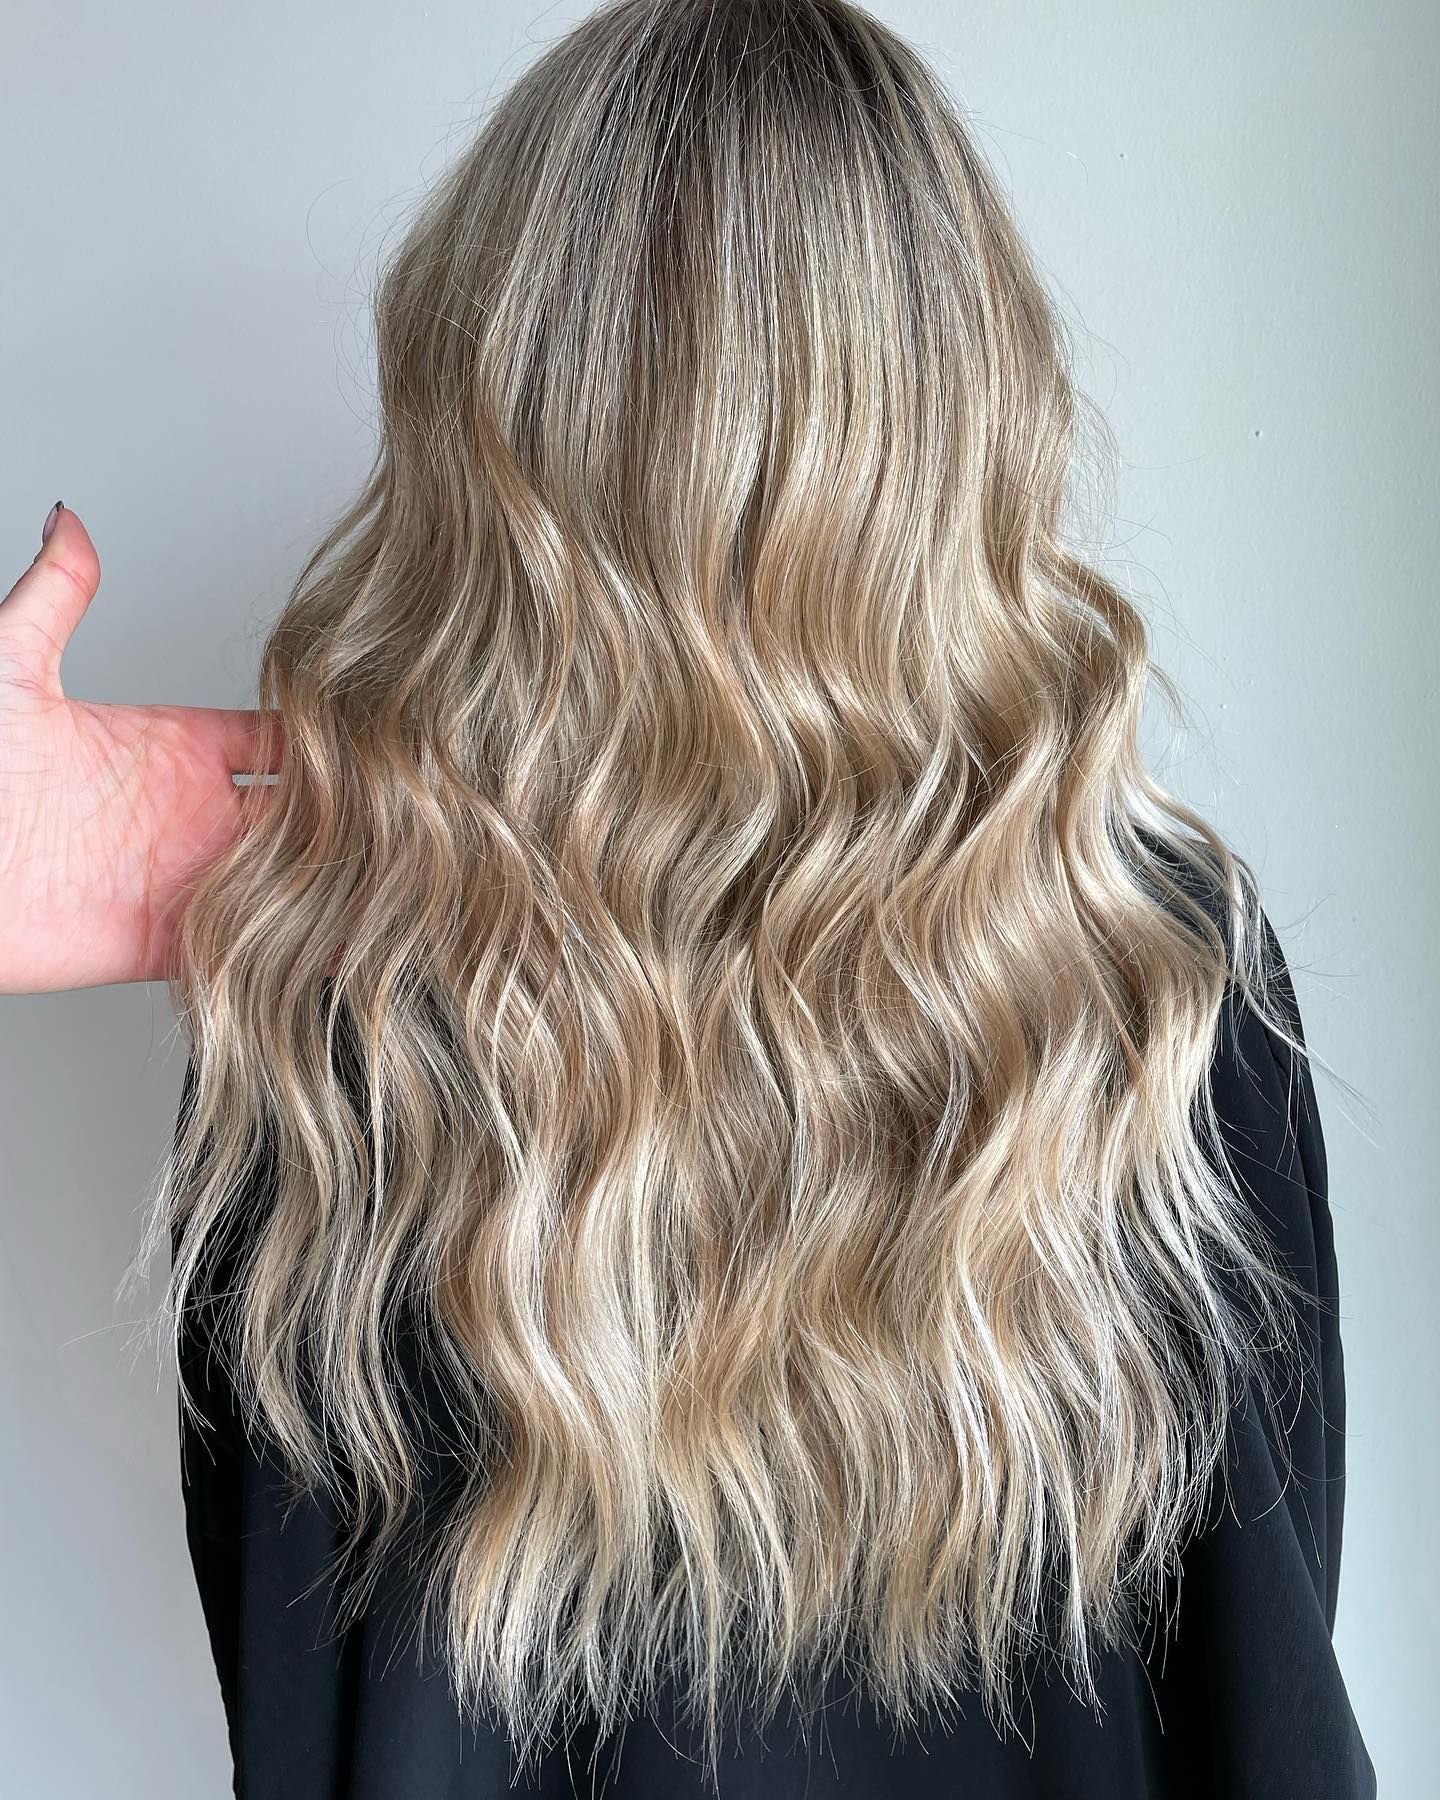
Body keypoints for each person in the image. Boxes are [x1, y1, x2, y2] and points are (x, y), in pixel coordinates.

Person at [3, 2, 1375, 1796]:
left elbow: (314, 1711)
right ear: (959, 409)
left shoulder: (338, 1016)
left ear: (491, 414)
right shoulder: (1153, 974)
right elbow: (1268, 1682)